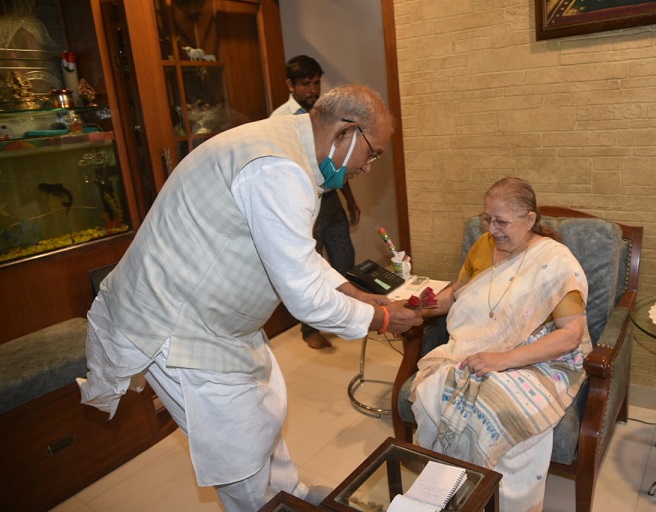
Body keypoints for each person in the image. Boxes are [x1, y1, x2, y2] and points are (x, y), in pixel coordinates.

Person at [76, 84, 422, 511]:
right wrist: (384, 321)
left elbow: (301, 258)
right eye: (375, 153)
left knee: (266, 412)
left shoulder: (289, 149)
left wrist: (362, 297)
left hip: (218, 320)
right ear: (346, 132)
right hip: (176, 323)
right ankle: (259, 506)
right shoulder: (278, 169)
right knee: (237, 443)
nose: (370, 167)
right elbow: (305, 296)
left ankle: (287, 497)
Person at [410, 177, 590, 512]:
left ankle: (497, 501)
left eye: (501, 221)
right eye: (486, 219)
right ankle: (451, 493)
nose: (492, 229)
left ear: (530, 219)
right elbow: (457, 295)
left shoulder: (554, 261)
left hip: (538, 357)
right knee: (438, 391)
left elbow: (570, 335)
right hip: (473, 348)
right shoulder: (483, 245)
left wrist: (503, 359)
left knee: (492, 411)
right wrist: (418, 311)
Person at [271, 55, 361, 349]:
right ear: (290, 85)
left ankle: (345, 317)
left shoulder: (325, 113)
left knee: (344, 258)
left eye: (316, 82)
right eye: (305, 83)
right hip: (304, 202)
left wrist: (351, 201)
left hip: (331, 199)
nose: (312, 89)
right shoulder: (281, 119)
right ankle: (310, 329)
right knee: (310, 266)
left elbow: (338, 160)